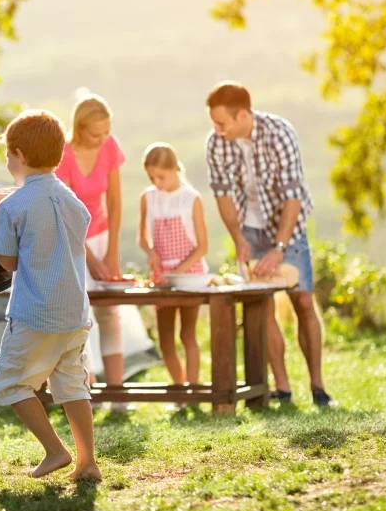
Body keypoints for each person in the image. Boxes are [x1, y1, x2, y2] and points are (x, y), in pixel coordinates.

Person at [0, 110, 101, 481]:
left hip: (36, 312)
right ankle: (88, 463)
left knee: (9, 382)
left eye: (8, 155)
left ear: (19, 156)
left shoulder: (12, 206)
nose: (8, 162)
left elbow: (8, 262)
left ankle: (56, 450)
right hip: (74, 313)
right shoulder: (73, 201)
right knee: (71, 383)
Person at [204, 81, 333, 406]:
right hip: (249, 229)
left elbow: (292, 195)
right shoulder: (217, 143)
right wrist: (238, 239)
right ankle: (283, 388)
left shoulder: (280, 133)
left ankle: (318, 387)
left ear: (243, 115)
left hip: (287, 229)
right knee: (262, 307)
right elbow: (222, 193)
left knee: (303, 300)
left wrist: (279, 247)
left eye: (222, 123)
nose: (217, 130)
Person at [54, 91, 126, 396]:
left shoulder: (110, 147)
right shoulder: (64, 155)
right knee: (79, 314)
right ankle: (86, 391)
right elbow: (68, 214)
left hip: (101, 234)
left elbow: (115, 199)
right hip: (71, 241)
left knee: (110, 311)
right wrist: (90, 259)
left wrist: (110, 253)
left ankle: (118, 392)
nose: (103, 139)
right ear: (80, 128)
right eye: (97, 134)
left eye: (107, 132)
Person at [137, 142, 209, 386]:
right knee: (165, 339)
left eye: (161, 176)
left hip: (190, 276)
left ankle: (194, 389)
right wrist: (151, 253)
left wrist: (177, 272)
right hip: (161, 276)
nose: (157, 182)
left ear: (175, 169)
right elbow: (142, 238)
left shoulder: (191, 199)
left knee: (187, 334)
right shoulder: (148, 198)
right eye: (151, 177)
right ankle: (180, 388)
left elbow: (202, 247)